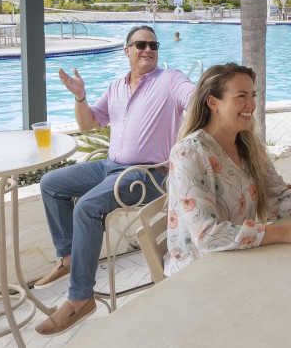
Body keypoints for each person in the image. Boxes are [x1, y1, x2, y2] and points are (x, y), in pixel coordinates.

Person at [35, 25, 194, 336]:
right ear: (127, 50)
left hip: (148, 174)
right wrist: (80, 96)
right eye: (140, 45)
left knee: (87, 208)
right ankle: (68, 257)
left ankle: (81, 298)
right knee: (51, 184)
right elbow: (88, 124)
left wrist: (211, 99)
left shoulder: (170, 80)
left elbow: (194, 96)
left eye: (153, 44)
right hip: (111, 166)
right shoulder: (116, 87)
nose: (148, 49)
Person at [164, 63, 291, 276]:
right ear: (213, 102)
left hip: (239, 260)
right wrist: (285, 233)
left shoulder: (247, 145)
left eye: (253, 95)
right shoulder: (189, 153)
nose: (251, 104)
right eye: (241, 96)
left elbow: (275, 196)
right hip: (198, 273)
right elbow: (206, 235)